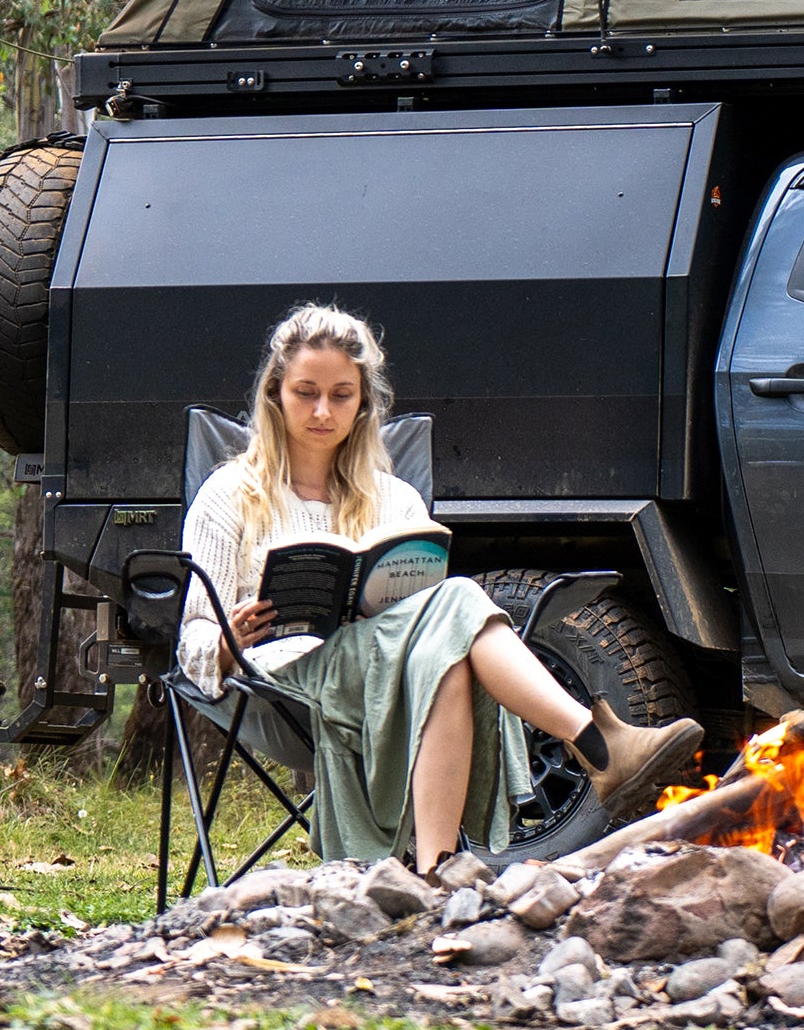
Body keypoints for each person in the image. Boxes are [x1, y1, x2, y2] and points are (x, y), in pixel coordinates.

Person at [178, 304, 703, 868]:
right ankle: (599, 743)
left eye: (341, 395)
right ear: (275, 393)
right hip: (282, 690)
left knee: (447, 652)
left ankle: (433, 871)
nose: (323, 411)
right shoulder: (229, 494)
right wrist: (227, 642)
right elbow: (191, 643)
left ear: (362, 405)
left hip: (390, 675)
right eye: (306, 392)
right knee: (458, 604)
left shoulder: (393, 499)